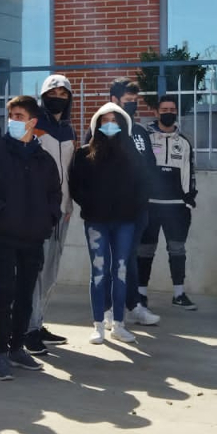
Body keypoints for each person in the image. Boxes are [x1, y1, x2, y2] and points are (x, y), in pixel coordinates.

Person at [0, 96, 64, 381]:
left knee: (26, 294)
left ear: (33, 122)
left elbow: (54, 195)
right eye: (10, 114)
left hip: (33, 238)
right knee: (4, 293)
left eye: (19, 115)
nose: (12, 119)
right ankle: (0, 352)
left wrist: (48, 219)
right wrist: (0, 213)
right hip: (3, 237)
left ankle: (16, 347)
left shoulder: (43, 159)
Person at [68, 103, 144, 345]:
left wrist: (132, 208)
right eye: (105, 120)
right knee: (99, 272)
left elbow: (143, 186)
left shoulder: (132, 154)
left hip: (125, 222)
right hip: (96, 222)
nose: (110, 124)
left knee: (120, 271)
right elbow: (76, 186)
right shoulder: (83, 155)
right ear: (97, 124)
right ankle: (99, 324)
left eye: (115, 120)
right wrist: (91, 206)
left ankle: (119, 324)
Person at [24, 74, 77, 354]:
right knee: (34, 271)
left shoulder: (68, 130)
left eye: (64, 93)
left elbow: (70, 171)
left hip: (62, 212)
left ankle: (38, 321)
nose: (59, 97)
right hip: (38, 211)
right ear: (43, 95)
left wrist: (68, 206)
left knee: (51, 272)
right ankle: (27, 329)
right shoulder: (34, 126)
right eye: (53, 92)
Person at [110, 78, 163, 326]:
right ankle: (109, 308)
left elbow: (150, 165)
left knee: (130, 257)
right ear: (114, 101)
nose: (132, 105)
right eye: (127, 101)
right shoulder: (104, 127)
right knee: (111, 259)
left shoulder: (141, 132)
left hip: (138, 208)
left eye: (134, 101)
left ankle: (134, 306)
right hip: (111, 209)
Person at [138, 95, 199, 311]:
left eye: (172, 109)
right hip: (149, 204)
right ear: (156, 112)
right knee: (144, 250)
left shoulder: (183, 142)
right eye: (164, 109)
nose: (168, 112)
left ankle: (179, 294)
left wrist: (189, 199)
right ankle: (141, 294)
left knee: (177, 250)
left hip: (176, 206)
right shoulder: (145, 137)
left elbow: (190, 173)